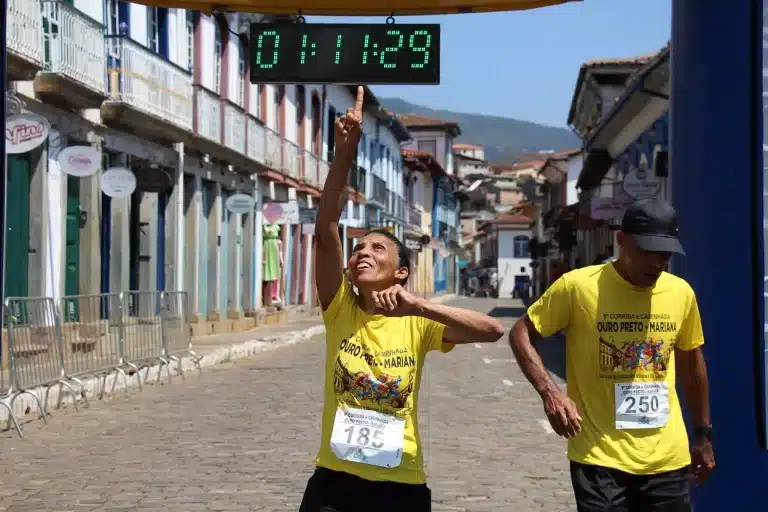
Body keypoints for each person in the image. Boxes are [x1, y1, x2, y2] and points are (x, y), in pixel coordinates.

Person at [300, 86, 505, 512]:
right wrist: (346, 151)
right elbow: (325, 227)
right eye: (359, 248)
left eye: (378, 249)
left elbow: (493, 330)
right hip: (335, 481)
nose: (363, 253)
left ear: (401, 272)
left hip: (401, 481)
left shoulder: (418, 321)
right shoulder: (340, 309)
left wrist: (420, 306)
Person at [509, 198, 715, 512]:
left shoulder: (680, 293)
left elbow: (691, 362)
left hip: (666, 458)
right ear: (620, 241)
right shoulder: (578, 287)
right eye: (647, 250)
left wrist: (703, 434)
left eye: (665, 253)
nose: (657, 262)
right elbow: (521, 331)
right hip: (598, 457)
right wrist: (550, 392)